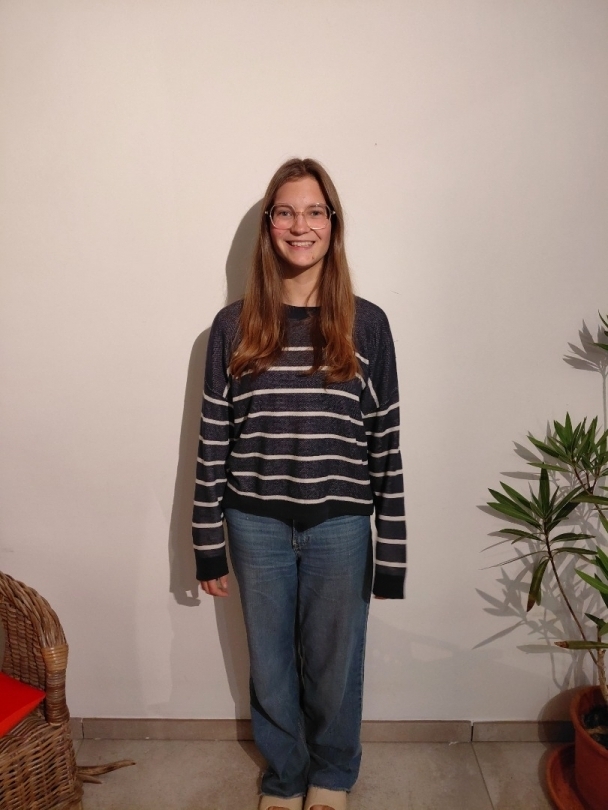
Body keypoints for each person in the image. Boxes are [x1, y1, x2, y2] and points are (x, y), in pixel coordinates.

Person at [192, 158, 406, 810]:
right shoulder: (232, 327)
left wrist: (391, 553)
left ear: (333, 225)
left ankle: (332, 774)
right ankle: (284, 775)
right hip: (253, 525)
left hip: (341, 526)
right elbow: (213, 441)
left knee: (335, 665)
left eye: (314, 211)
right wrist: (207, 544)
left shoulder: (368, 325)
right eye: (285, 211)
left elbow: (386, 443)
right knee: (271, 663)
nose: (300, 225)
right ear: (269, 225)